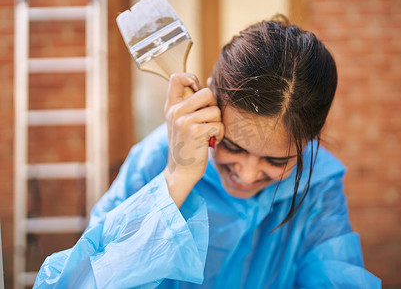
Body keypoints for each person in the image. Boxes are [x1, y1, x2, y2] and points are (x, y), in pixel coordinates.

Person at [34, 16, 381, 288]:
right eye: (231, 145)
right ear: (211, 105)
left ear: (309, 142)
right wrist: (175, 179)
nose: (246, 174)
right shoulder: (156, 160)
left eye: (277, 161)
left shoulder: (319, 185)